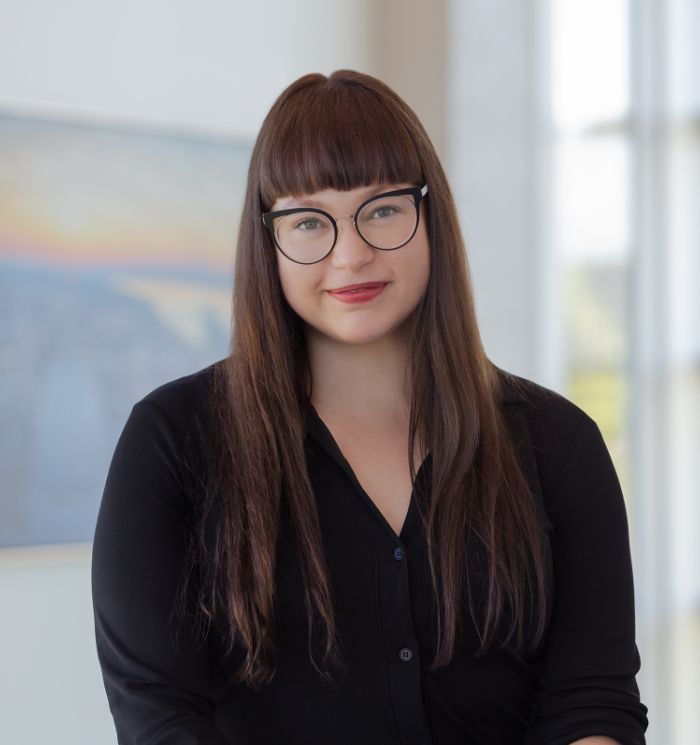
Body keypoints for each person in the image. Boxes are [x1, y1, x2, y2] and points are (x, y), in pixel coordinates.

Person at [91, 69, 649, 745]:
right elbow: (158, 717)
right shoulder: (171, 441)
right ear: (268, 240)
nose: (351, 255)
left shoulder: (559, 442)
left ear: (429, 214)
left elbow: (593, 701)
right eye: (308, 222)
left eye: (382, 209)